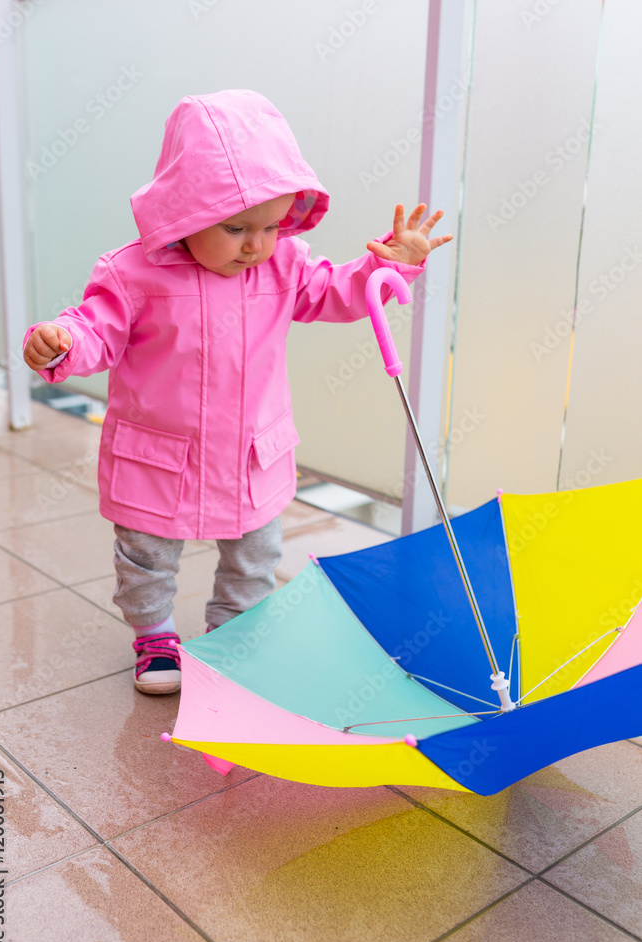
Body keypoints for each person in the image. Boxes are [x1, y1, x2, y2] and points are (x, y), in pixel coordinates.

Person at [23, 90, 452, 695]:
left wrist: (392, 265)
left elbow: (337, 292)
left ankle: (236, 642)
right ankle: (155, 637)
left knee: (254, 558)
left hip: (251, 451)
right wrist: (62, 340)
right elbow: (97, 326)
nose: (256, 244)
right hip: (160, 452)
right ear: (183, 213)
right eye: (236, 227)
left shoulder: (283, 266)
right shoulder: (133, 273)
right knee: (146, 555)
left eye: (272, 226)